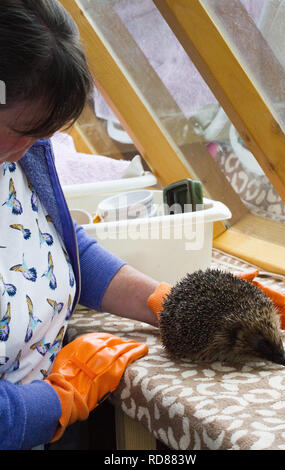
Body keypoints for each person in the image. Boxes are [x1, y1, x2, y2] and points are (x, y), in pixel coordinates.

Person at [0, 0, 159, 450]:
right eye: (28, 126)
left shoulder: (19, 154)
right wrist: (62, 399)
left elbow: (59, 247)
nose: (43, 141)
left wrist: (162, 301)